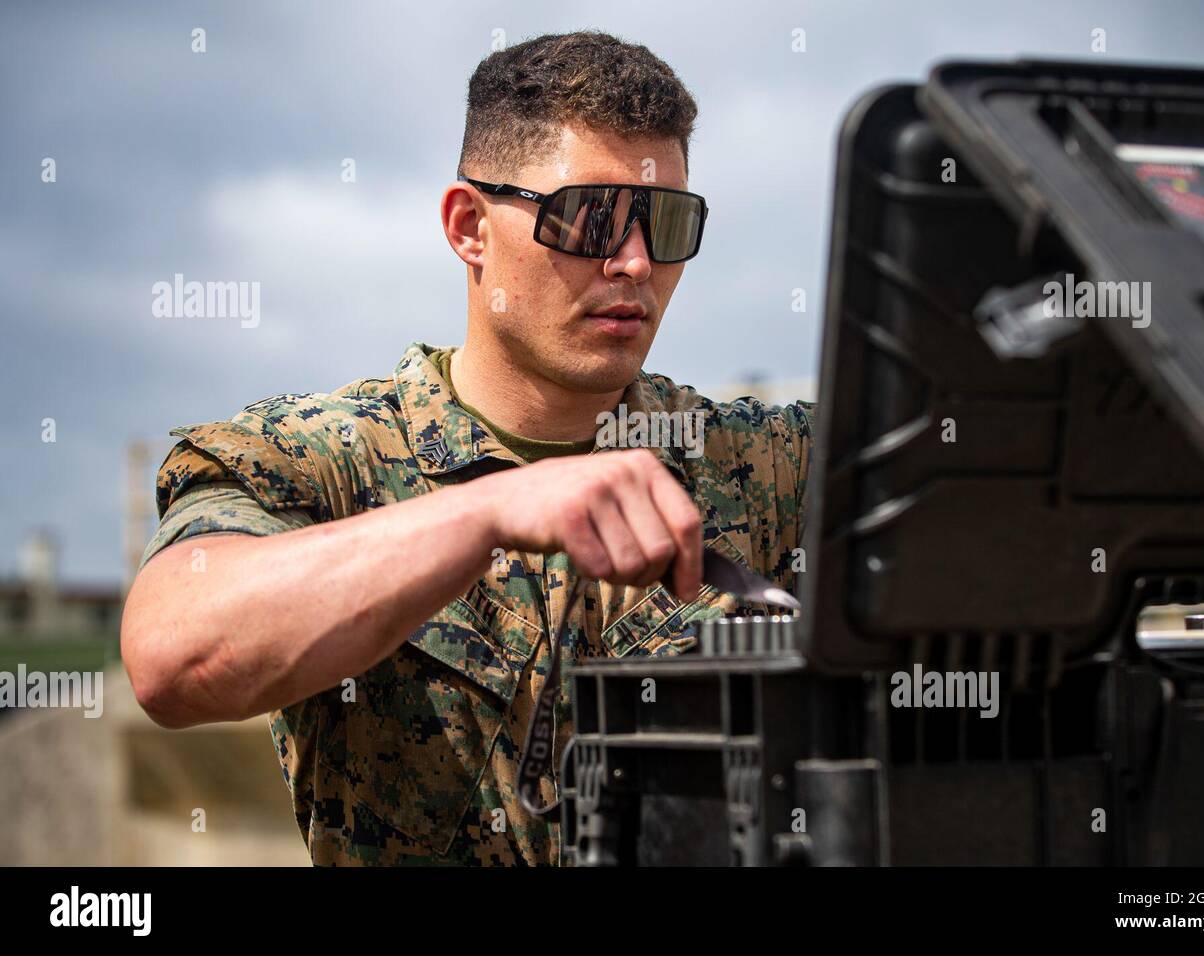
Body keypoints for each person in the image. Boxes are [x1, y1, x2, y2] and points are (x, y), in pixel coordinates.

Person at [120, 30, 815, 865]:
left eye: (664, 221)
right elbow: (174, 658)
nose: (634, 261)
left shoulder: (758, 463)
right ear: (470, 227)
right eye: (591, 218)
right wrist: (486, 510)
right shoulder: (322, 459)